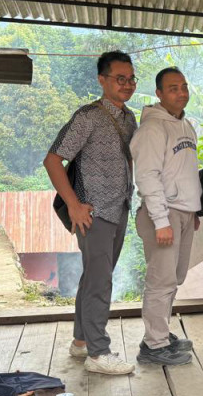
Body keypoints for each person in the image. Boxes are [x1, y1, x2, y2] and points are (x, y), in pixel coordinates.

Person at [44, 51, 138, 375]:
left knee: (94, 277)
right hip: (93, 213)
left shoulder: (130, 119)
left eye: (131, 79)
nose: (127, 85)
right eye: (119, 79)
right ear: (102, 80)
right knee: (100, 281)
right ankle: (100, 353)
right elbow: (53, 160)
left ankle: (81, 341)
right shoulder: (88, 116)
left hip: (120, 208)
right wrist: (73, 204)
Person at [129, 67, 200, 366]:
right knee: (160, 280)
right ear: (158, 93)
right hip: (164, 214)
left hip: (183, 212)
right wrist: (161, 221)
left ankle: (161, 332)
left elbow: (184, 172)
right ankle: (154, 345)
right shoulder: (152, 129)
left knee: (174, 278)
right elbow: (146, 176)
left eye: (183, 86)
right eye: (173, 88)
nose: (181, 92)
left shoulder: (186, 126)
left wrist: (193, 210)